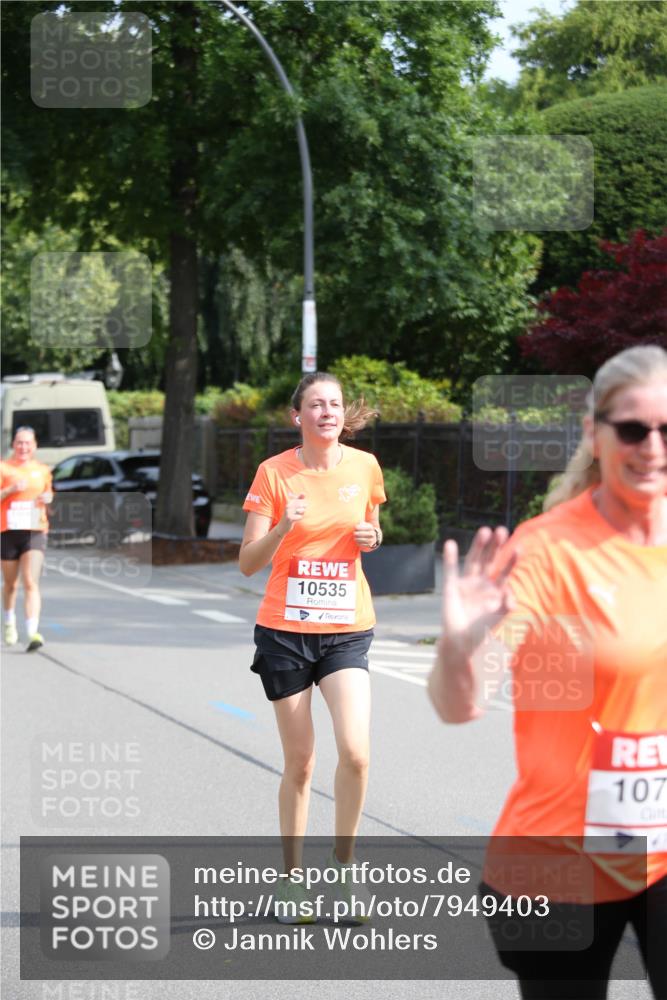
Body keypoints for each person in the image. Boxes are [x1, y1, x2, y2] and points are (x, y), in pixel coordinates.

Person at [429, 344, 667, 999]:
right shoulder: (545, 550)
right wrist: (458, 646)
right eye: (632, 429)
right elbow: (458, 705)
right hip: (556, 862)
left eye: (666, 430)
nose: (652, 447)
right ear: (593, 432)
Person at [240, 372, 385, 922]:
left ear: (343, 415)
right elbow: (249, 562)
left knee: (356, 751)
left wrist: (374, 537)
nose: (326, 411)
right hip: (284, 632)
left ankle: (346, 870)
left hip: (346, 627)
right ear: (295, 414)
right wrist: (283, 528)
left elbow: (370, 530)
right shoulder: (274, 473)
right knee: (300, 762)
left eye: (335, 404)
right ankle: (291, 880)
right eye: (316, 404)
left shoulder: (365, 467)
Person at [1, 426, 53, 652]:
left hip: (34, 530)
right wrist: (10, 490)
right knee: (11, 585)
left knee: (31, 582)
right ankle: (9, 622)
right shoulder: (3, 468)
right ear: (13, 445)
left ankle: (33, 632)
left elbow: (49, 495)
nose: (23, 447)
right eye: (19, 442)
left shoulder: (42, 470)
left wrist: (49, 497)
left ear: (35, 446)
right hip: (8, 531)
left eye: (28, 443)